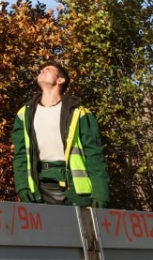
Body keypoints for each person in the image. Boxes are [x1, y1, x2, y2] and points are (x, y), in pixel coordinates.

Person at [12, 61, 109, 207]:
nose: (42, 71)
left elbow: (94, 155)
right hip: (39, 188)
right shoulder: (24, 114)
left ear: (60, 80)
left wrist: (101, 194)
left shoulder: (79, 113)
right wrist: (22, 185)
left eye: (48, 69)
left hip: (75, 191)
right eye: (41, 70)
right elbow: (20, 154)